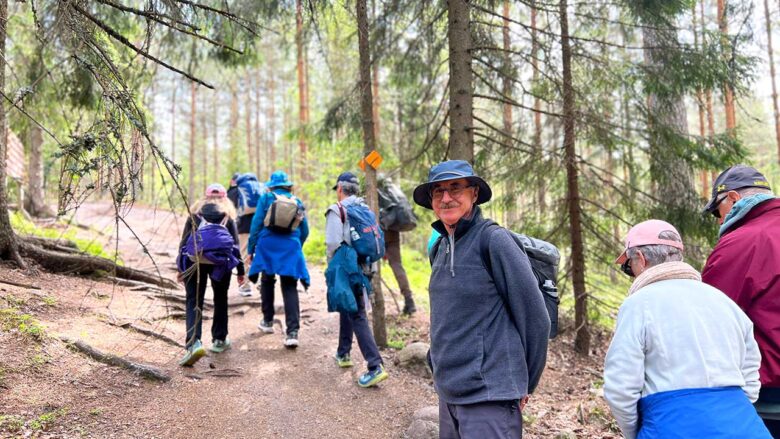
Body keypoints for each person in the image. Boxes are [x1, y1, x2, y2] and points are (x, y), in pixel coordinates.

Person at [412, 160, 549, 438]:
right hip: (449, 393)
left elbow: (536, 319)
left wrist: (525, 384)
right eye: (438, 191)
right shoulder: (440, 247)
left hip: (490, 397)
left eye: (455, 188)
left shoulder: (494, 241)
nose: (446, 198)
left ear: (474, 193)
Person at [604, 219, 769, 438]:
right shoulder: (724, 301)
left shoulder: (638, 305)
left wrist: (636, 431)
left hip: (671, 425)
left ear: (641, 259)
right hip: (742, 425)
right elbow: (751, 370)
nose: (631, 273)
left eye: (628, 267)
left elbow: (620, 387)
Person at [701, 164, 780, 436]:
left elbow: (710, 321)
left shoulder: (740, 244)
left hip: (769, 393)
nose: (718, 220)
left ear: (733, 198)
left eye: (717, 211)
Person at [325, 171, 388, 388]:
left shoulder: (337, 210)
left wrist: (332, 271)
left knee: (358, 314)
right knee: (349, 306)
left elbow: (332, 244)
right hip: (365, 267)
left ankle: (375, 365)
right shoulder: (365, 209)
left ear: (339, 189)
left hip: (347, 268)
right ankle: (343, 353)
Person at [176, 183, 245, 366]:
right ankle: (219, 340)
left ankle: (193, 343)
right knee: (220, 298)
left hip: (194, 262)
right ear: (224, 198)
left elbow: (184, 243)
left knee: (193, 300)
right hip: (221, 264)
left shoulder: (195, 215)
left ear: (206, 197)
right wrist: (241, 271)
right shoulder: (227, 217)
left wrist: (181, 268)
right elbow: (235, 247)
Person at [247, 170, 310, 348]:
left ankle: (267, 321)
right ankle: (292, 333)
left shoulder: (266, 198)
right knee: (289, 286)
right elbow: (305, 230)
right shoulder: (297, 201)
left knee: (267, 280)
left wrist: (251, 249)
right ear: (287, 185)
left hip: (268, 245)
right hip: (290, 246)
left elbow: (256, 224)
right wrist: (296, 245)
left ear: (272, 186)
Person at [378, 176, 418, 315]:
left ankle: (371, 301)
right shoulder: (393, 192)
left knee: (370, 265)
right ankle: (409, 300)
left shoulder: (373, 191)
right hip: (393, 231)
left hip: (379, 230)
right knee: (397, 265)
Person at [227, 172, 262, 296]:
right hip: (262, 227)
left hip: (244, 228)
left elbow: (229, 210)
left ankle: (245, 286)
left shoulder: (235, 191)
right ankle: (262, 282)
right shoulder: (260, 190)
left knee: (244, 255)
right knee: (260, 254)